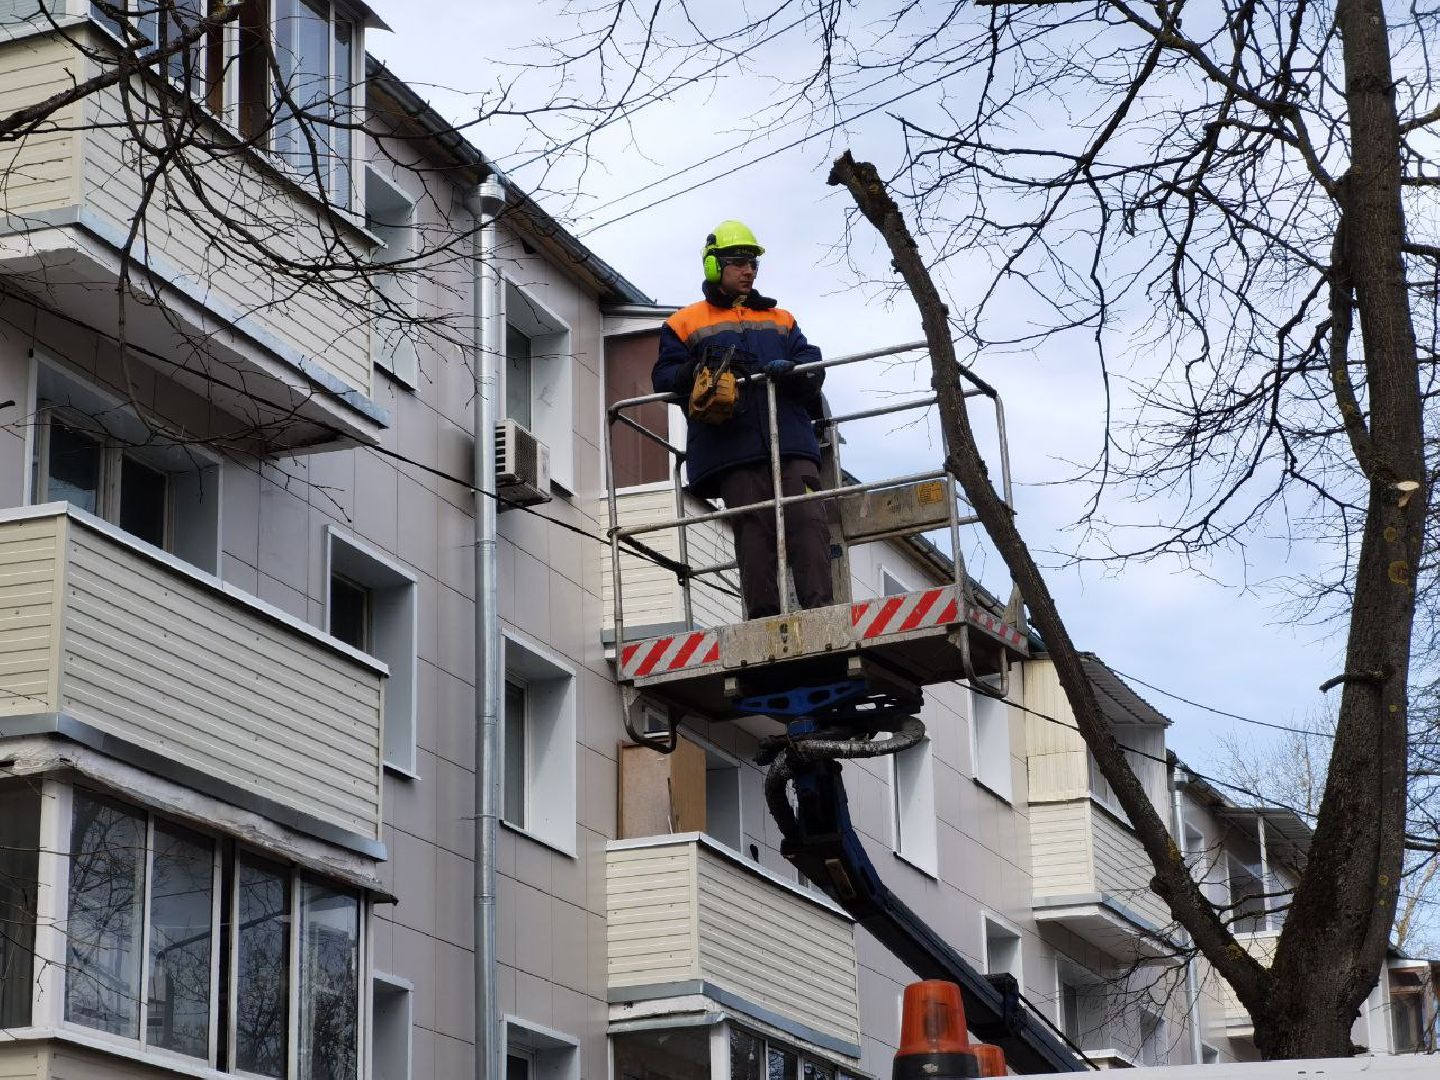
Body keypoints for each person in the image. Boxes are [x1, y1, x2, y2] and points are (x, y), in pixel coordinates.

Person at [652, 220, 834, 620]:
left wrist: (795, 371)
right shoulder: (685, 323)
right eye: (738, 262)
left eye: (753, 264)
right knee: (755, 533)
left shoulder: (781, 319)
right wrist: (695, 371)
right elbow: (664, 378)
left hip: (791, 443)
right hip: (732, 449)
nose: (749, 271)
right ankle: (764, 620)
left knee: (808, 521)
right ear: (715, 266)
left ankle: (821, 613)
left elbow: (811, 363)